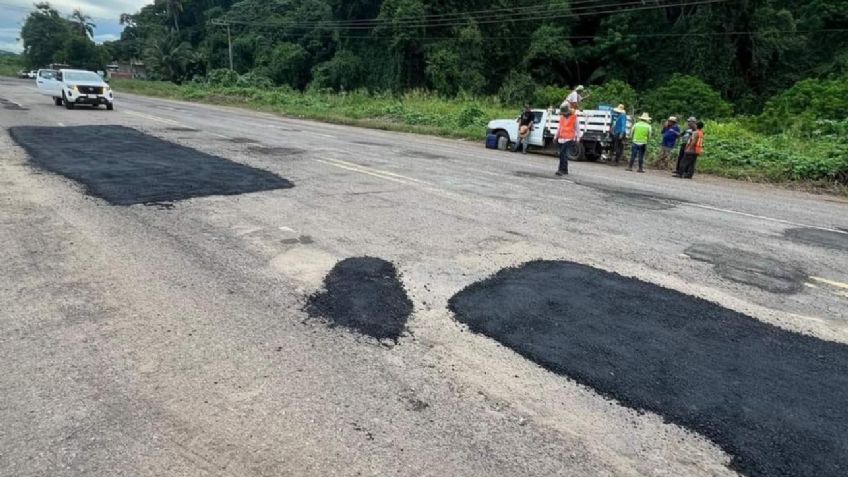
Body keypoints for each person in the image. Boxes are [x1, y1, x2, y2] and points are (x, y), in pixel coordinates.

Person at [556, 108, 581, 176]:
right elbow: (559, 128)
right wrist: (556, 136)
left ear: (568, 112)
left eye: (564, 113)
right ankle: (565, 170)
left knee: (562, 153)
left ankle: (561, 170)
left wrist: (578, 138)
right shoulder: (562, 118)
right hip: (561, 139)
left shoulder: (574, 118)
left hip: (569, 139)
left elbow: (577, 128)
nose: (563, 114)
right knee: (563, 154)